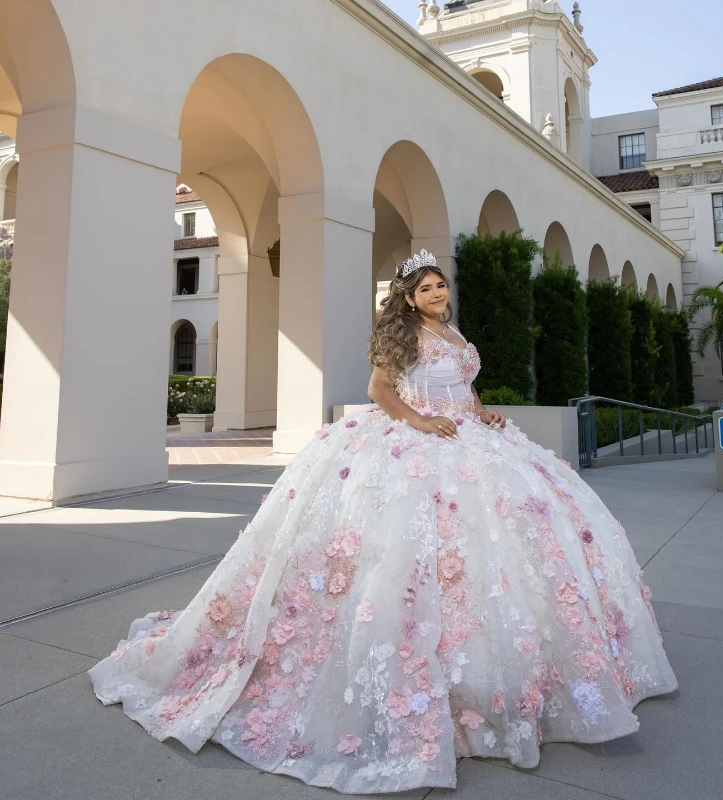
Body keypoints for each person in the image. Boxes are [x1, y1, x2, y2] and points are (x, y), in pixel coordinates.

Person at [89, 250, 677, 794]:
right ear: (408, 298)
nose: (440, 292)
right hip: (412, 438)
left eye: (442, 284)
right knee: (403, 556)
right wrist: (420, 423)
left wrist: (482, 411)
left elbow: (463, 391)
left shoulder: (453, 332)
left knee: (505, 548)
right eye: (428, 287)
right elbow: (379, 391)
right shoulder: (401, 336)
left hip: (468, 436)